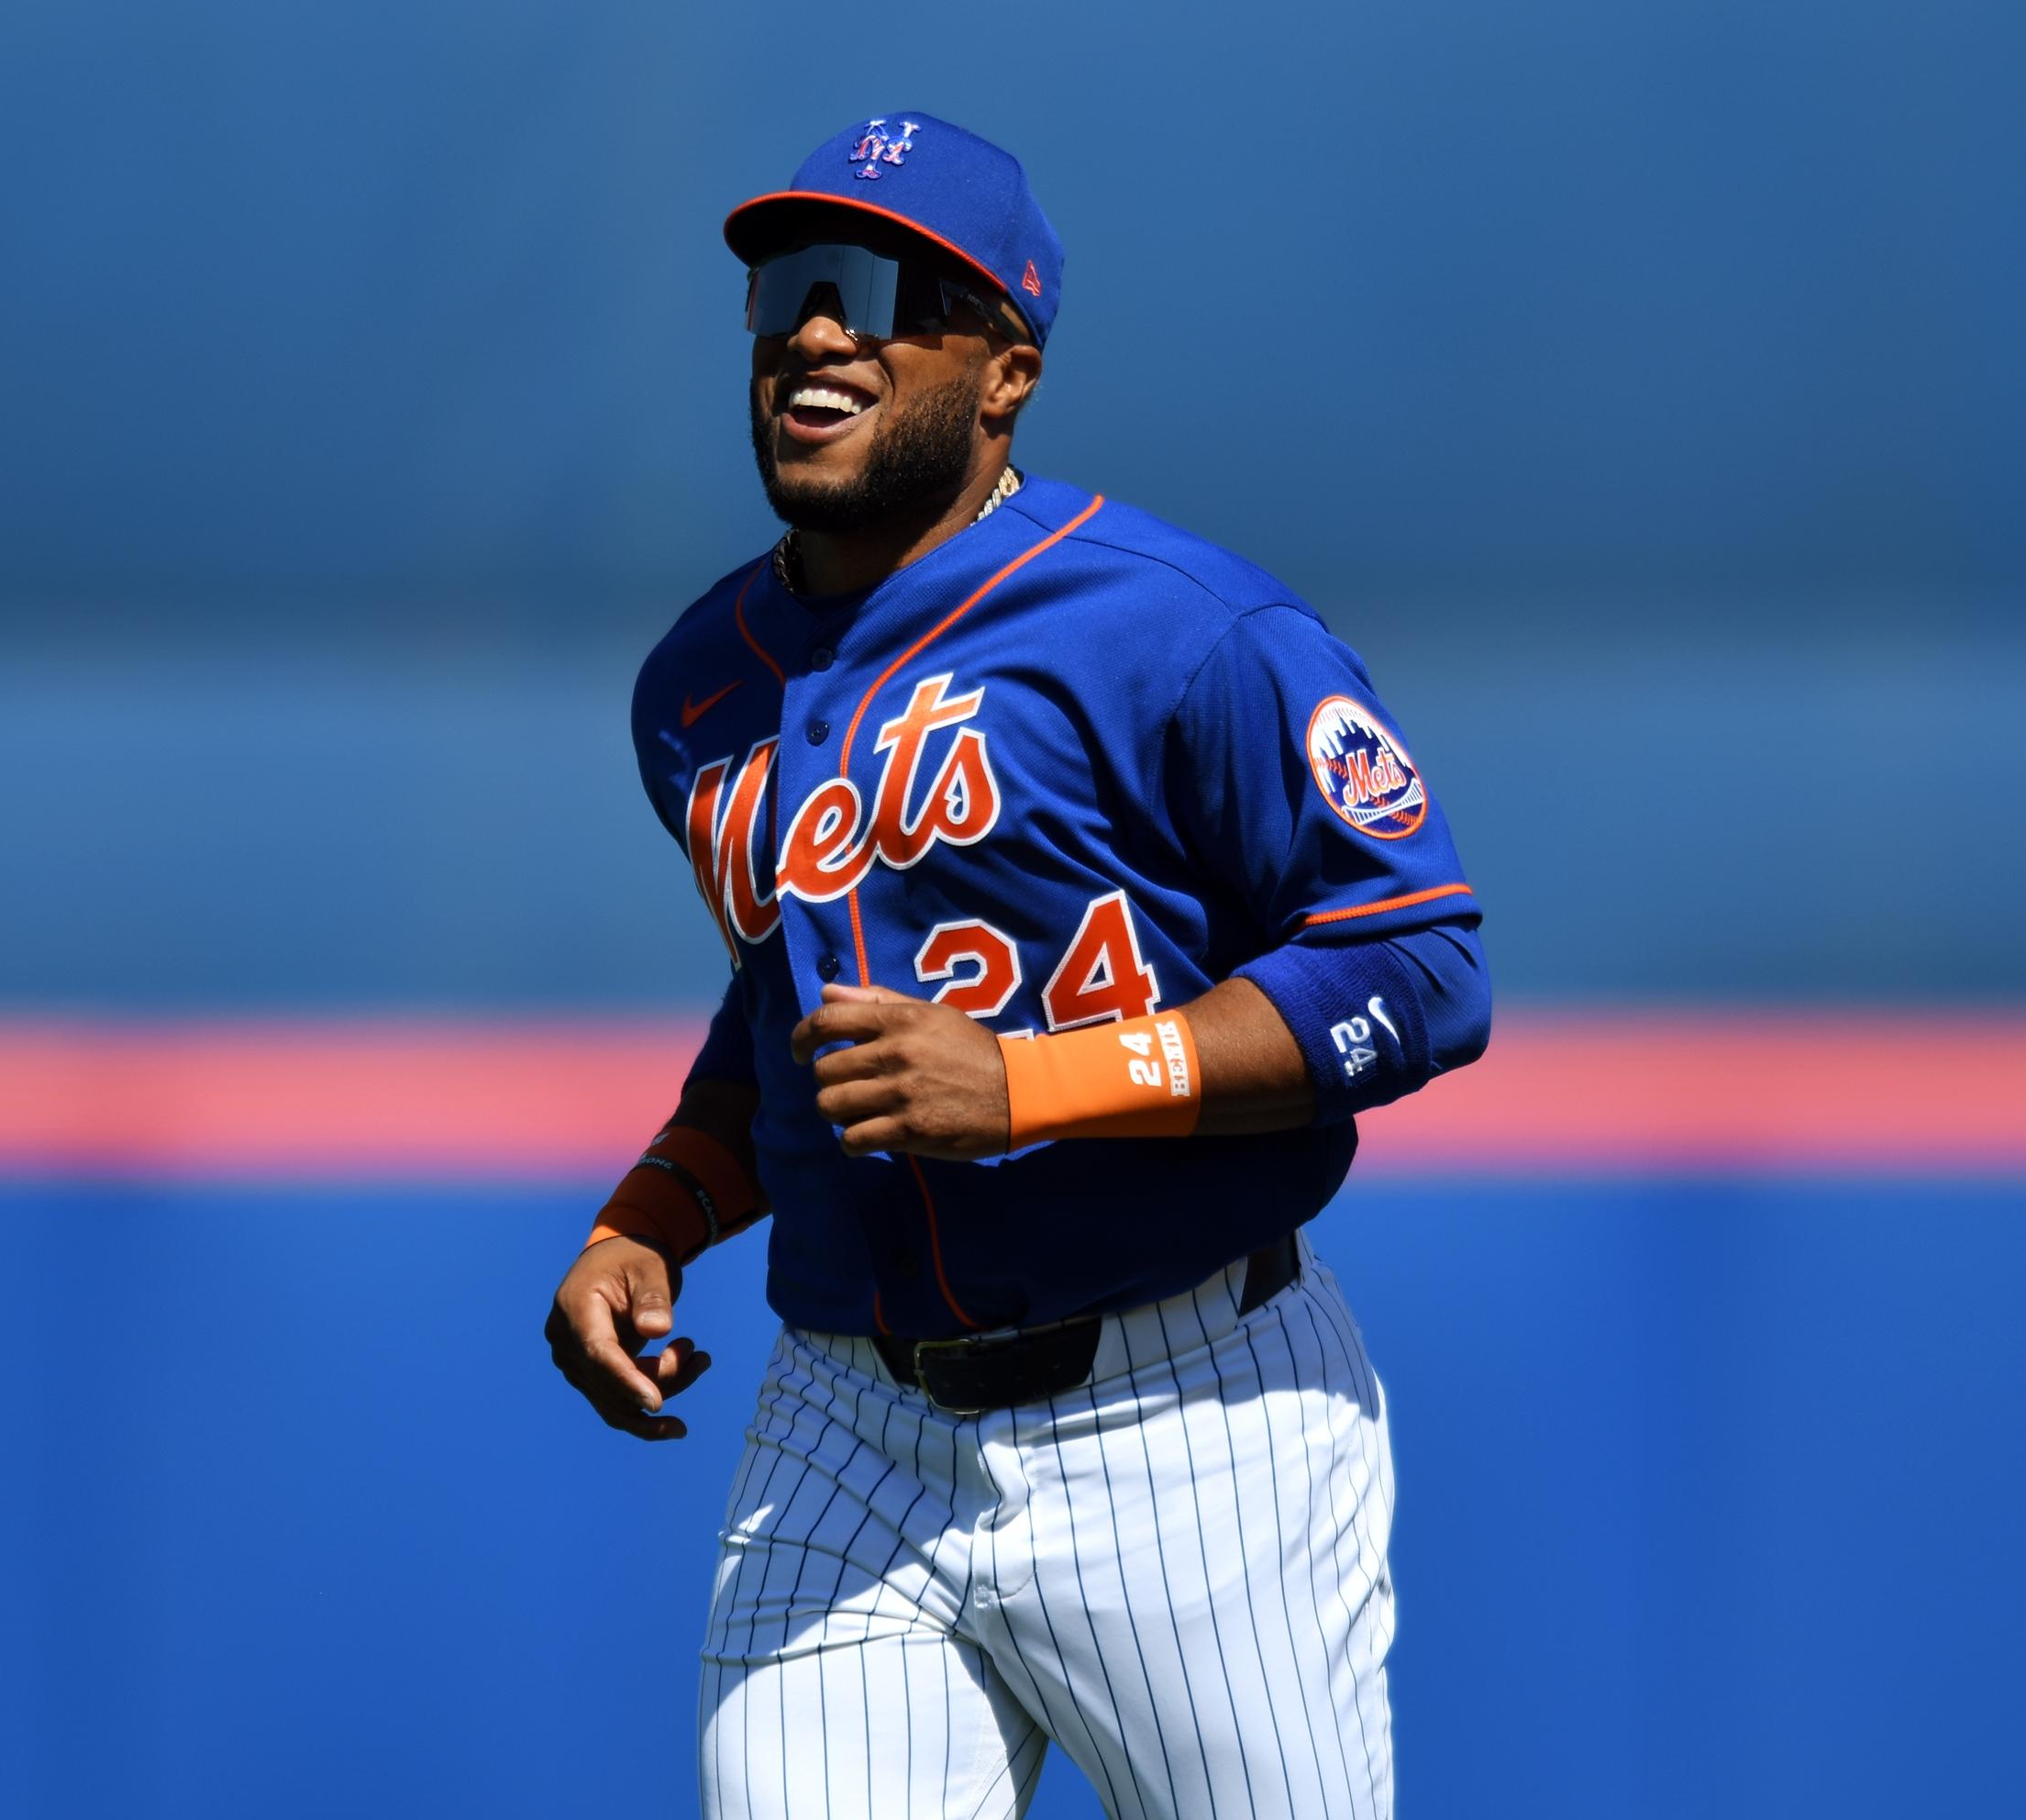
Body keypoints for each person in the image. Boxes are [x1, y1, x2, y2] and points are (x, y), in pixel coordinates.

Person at [544, 111, 1489, 1820]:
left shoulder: (1183, 627)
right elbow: (787, 1008)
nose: (821, 331)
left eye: (884, 292)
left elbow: (1417, 969)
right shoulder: (697, 690)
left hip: (1187, 1418)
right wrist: (652, 1216)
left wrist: (1039, 1084)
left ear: (1007, 376)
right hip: (848, 1431)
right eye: (788, 292)